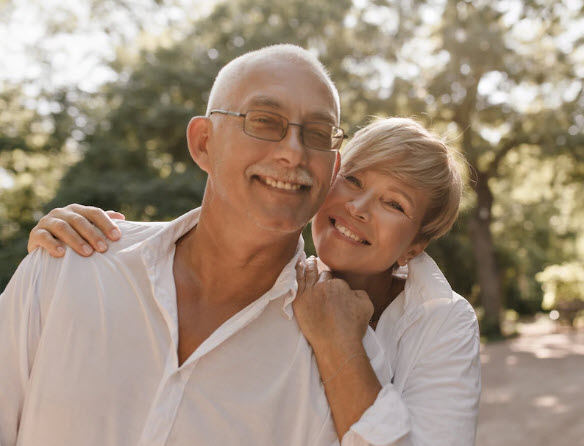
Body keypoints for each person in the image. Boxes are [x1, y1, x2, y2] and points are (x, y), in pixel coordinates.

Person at [0, 44, 394, 446]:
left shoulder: (347, 357)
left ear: (333, 169)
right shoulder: (66, 266)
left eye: (316, 134)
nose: (293, 152)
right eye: (264, 121)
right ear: (203, 142)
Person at [28, 117, 481, 444]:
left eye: (394, 204)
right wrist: (84, 240)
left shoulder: (443, 321)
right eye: (353, 179)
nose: (358, 206)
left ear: (413, 248)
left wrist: (339, 343)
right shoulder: (274, 281)